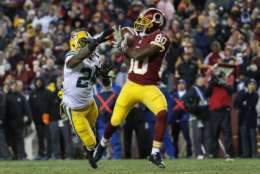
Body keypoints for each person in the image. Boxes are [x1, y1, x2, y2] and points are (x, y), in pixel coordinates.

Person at [94, 8, 170, 168]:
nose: (141, 24)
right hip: (131, 85)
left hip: (148, 87)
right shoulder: (136, 37)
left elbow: (139, 55)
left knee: (162, 112)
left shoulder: (160, 37)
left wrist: (124, 48)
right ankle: (102, 145)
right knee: (115, 120)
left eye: (146, 21)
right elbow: (132, 61)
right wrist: (121, 46)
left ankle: (155, 153)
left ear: (156, 24)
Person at [62, 29, 112, 168]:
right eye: (84, 43)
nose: (87, 46)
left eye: (88, 43)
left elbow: (106, 85)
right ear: (76, 44)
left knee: (93, 132)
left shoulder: (95, 58)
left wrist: (106, 76)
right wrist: (95, 42)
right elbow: (74, 61)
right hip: (75, 108)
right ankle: (91, 158)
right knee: (91, 143)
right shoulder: (71, 56)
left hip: (90, 104)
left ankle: (92, 156)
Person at [47, 77, 73, 159]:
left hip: (64, 120)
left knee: (67, 139)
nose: (60, 83)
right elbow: (48, 108)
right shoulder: (51, 94)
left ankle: (69, 155)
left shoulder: (67, 94)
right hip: (54, 120)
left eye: (61, 81)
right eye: (58, 81)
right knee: (55, 139)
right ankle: (56, 155)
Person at [185, 75, 210, 159]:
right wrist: (194, 109)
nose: (202, 81)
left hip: (205, 115)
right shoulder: (192, 90)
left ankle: (207, 153)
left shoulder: (205, 89)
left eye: (203, 79)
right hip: (196, 116)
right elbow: (187, 103)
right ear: (196, 81)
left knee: (206, 135)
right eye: (200, 79)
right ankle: (198, 153)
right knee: (197, 136)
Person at [95, 78, 121, 159]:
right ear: (110, 84)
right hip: (112, 122)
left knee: (102, 143)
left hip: (101, 122)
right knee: (115, 143)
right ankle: (116, 158)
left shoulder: (96, 97)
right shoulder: (115, 96)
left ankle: (102, 158)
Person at [6, 80, 31, 160]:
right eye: (12, 85)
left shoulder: (21, 97)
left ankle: (22, 155)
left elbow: (26, 109)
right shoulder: (7, 97)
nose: (13, 87)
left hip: (19, 123)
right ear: (10, 87)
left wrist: (28, 119)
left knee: (20, 140)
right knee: (12, 141)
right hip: (9, 123)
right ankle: (15, 155)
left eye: (15, 85)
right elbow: (4, 111)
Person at [234, 79, 259, 158]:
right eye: (250, 84)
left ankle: (254, 153)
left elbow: (251, 104)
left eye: (253, 84)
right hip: (243, 117)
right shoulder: (241, 93)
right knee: (243, 136)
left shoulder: (255, 94)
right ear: (247, 85)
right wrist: (243, 103)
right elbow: (236, 103)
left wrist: (244, 102)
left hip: (251, 117)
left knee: (252, 136)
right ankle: (245, 153)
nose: (252, 86)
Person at [29, 77, 52, 160]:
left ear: (42, 82)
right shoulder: (32, 93)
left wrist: (49, 116)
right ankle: (41, 154)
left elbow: (51, 105)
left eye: (40, 82)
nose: (38, 83)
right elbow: (30, 107)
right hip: (37, 120)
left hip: (47, 119)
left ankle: (49, 154)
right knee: (40, 137)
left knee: (48, 136)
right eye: (37, 82)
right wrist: (31, 118)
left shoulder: (48, 92)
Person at [171, 79, 192, 158]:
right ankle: (175, 154)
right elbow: (171, 106)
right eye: (179, 84)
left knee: (187, 137)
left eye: (182, 84)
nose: (181, 85)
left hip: (185, 119)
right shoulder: (173, 95)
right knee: (175, 138)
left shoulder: (189, 94)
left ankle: (189, 154)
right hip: (174, 119)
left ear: (185, 85)